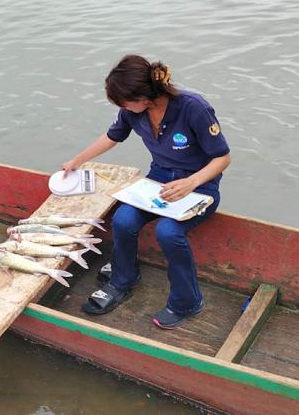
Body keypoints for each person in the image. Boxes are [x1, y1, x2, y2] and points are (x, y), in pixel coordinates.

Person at [63, 54, 231, 329]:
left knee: (168, 231)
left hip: (200, 187)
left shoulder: (193, 108)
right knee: (123, 219)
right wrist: (76, 161)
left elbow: (222, 157)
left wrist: (191, 182)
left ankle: (187, 302)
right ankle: (123, 280)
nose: (122, 108)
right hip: (158, 180)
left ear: (144, 98)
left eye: (124, 102)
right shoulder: (133, 111)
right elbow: (112, 136)